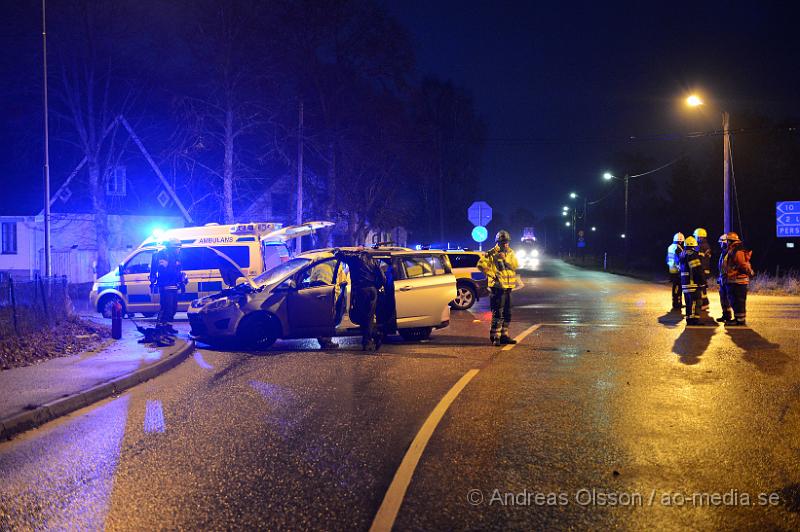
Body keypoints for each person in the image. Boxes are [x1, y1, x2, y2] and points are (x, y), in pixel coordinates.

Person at [334, 248, 387, 351]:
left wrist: (342, 250)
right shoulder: (372, 259)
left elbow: (338, 254)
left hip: (361, 291)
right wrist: (375, 286)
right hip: (372, 290)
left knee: (362, 316)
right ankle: (375, 335)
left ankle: (368, 342)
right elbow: (382, 277)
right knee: (368, 316)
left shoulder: (355, 257)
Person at [477, 230, 519, 346]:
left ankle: (504, 335)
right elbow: (481, 265)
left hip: (509, 287)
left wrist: (505, 260)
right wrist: (492, 275)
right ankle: (495, 337)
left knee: (508, 312)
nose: (505, 244)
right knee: (498, 313)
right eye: (502, 242)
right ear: (498, 242)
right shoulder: (491, 253)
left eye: (506, 242)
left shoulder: (511, 252)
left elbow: (515, 265)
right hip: (498, 288)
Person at [149, 238, 186, 332]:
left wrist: (182, 278)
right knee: (166, 308)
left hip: (173, 286)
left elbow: (177, 270)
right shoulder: (164, 255)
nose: (179, 249)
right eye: (177, 248)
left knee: (173, 308)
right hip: (166, 286)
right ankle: (160, 328)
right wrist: (175, 272)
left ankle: (168, 327)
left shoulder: (176, 257)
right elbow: (163, 270)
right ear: (171, 248)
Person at [721, 232, 753, 326]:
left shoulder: (737, 251)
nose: (726, 242)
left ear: (731, 241)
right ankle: (738, 319)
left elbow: (742, 264)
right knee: (735, 301)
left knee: (738, 301)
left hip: (738, 280)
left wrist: (749, 272)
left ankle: (740, 320)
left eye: (727, 241)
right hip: (734, 280)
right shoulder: (732, 249)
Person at [679, 235, 705, 325]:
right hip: (692, 282)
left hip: (685, 282)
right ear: (694, 245)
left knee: (688, 302)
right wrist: (702, 281)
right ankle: (694, 320)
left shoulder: (682, 254)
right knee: (696, 301)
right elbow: (697, 269)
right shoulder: (693, 255)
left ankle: (689, 318)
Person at [693, 228, 712, 310]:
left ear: (700, 237)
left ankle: (705, 303)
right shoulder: (706, 246)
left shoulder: (700, 247)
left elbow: (700, 260)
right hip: (705, 269)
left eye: (696, 236)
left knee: (701, 287)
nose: (695, 238)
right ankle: (704, 303)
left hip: (702, 270)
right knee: (702, 287)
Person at [715, 234, 732, 323]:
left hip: (727, 279)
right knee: (723, 298)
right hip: (723, 278)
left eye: (721, 243)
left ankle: (728, 316)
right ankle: (725, 315)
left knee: (727, 298)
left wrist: (725, 276)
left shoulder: (729, 253)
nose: (720, 244)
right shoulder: (724, 252)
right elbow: (722, 267)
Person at [666, 232, 685, 310]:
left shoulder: (670, 247)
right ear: (680, 240)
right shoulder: (678, 248)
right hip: (677, 270)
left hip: (671, 269)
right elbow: (679, 259)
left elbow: (667, 258)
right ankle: (677, 303)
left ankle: (676, 302)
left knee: (675, 287)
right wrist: (681, 267)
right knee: (678, 287)